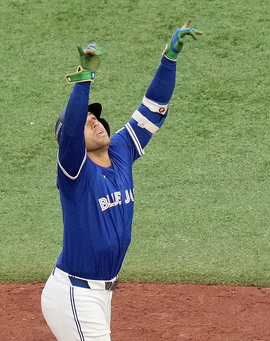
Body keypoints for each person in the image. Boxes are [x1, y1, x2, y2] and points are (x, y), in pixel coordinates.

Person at [41, 20, 202, 340]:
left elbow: (154, 109)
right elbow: (71, 132)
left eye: (96, 117)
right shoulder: (74, 173)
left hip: (101, 295)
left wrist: (169, 58)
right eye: (87, 122)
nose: (96, 122)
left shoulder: (122, 149)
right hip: (75, 294)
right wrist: (84, 81)